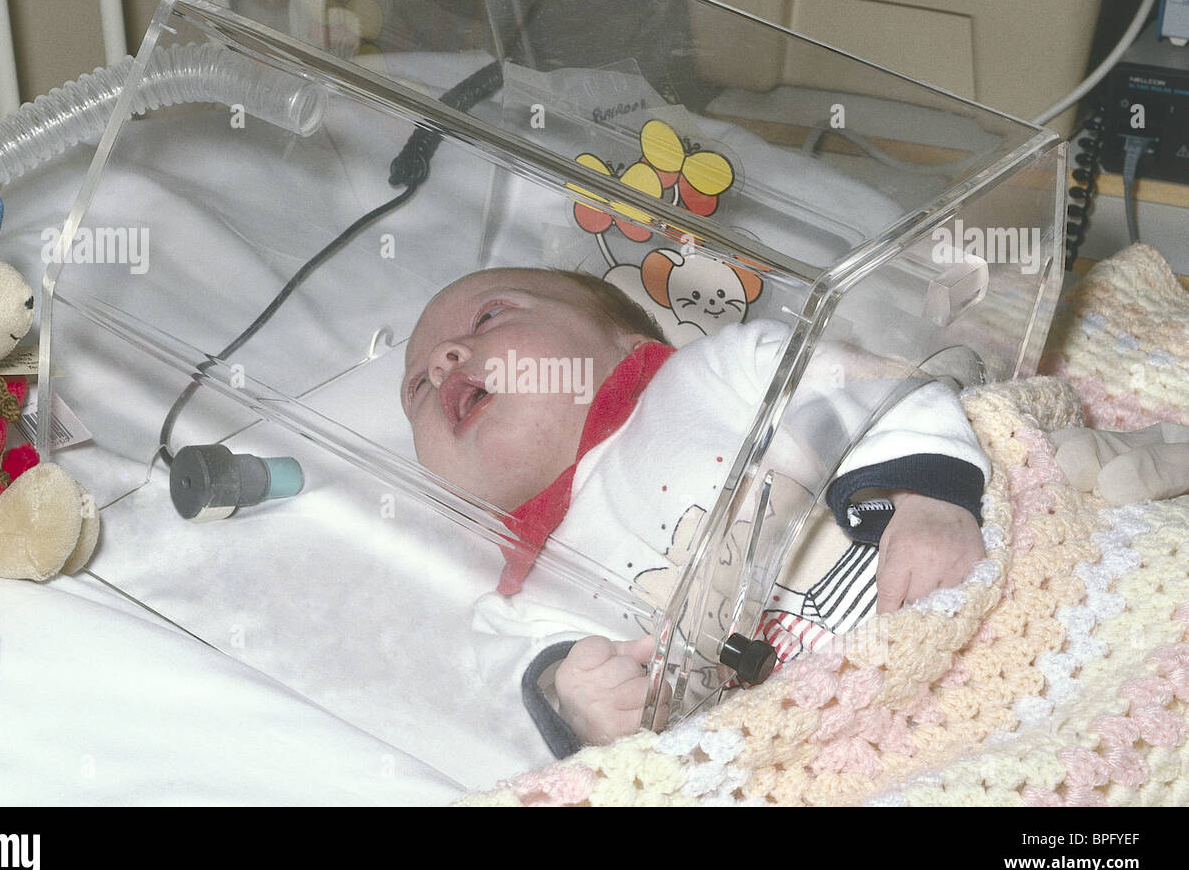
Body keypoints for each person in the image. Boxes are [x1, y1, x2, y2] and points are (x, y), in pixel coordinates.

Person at [402, 267, 989, 747]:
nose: (443, 361)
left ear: (624, 341)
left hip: (949, 612)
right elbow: (528, 700)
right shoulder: (522, 607)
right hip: (830, 749)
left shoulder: (719, 368)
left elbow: (878, 390)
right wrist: (579, 702)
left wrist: (928, 496)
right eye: (417, 391)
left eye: (489, 316)